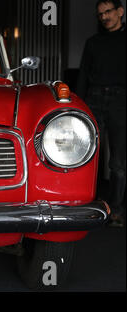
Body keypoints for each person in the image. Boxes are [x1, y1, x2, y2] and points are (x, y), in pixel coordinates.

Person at [76, 0, 126, 227]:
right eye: (100, 14)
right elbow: (83, 75)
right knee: (87, 156)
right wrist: (78, 106)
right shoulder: (93, 43)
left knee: (118, 162)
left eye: (108, 12)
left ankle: (116, 210)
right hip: (94, 99)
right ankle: (86, 207)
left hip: (120, 101)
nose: (104, 16)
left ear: (120, 12)